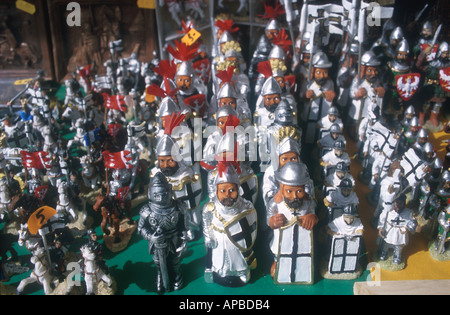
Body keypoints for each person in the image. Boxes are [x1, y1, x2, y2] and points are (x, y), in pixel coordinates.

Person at [202, 162, 257, 287]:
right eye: (223, 190)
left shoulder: (246, 206)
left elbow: (251, 225)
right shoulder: (210, 207)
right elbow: (206, 221)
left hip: (237, 241)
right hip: (218, 239)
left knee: (238, 257)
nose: (227, 195)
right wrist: (208, 236)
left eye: (231, 190)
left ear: (238, 189)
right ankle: (220, 272)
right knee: (219, 258)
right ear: (216, 191)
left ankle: (241, 271)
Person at [266, 162, 318, 284]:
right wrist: (274, 221)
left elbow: (315, 216)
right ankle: (277, 261)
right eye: (289, 191)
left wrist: (312, 218)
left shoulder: (308, 202)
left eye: (299, 191)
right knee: (279, 250)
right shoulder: (275, 203)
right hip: (282, 237)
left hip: (301, 238)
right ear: (281, 187)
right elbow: (268, 220)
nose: (295, 196)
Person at [138, 172, 188, 293]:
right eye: (156, 195)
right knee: (158, 262)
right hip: (157, 241)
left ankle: (176, 274)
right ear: (150, 194)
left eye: (164, 195)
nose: (160, 198)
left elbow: (184, 226)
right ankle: (160, 275)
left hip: (174, 238)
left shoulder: (178, 206)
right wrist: (151, 237)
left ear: (170, 191)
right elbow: (140, 229)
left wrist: (184, 238)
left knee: (175, 259)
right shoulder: (147, 210)